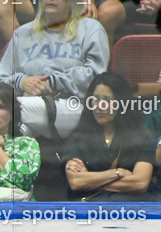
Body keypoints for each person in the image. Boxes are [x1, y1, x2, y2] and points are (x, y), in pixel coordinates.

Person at [0, 0, 109, 142]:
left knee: (4, 113)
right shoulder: (23, 34)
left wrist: (52, 82)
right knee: (13, 134)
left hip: (75, 106)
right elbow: (1, 80)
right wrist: (23, 82)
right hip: (30, 106)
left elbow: (97, 76)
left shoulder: (91, 29)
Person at [63, 71, 157, 201]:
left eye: (108, 100)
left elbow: (139, 183)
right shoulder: (78, 137)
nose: (100, 106)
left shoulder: (142, 138)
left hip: (128, 212)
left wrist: (91, 180)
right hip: (88, 213)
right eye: (95, 99)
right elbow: (76, 182)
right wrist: (117, 173)